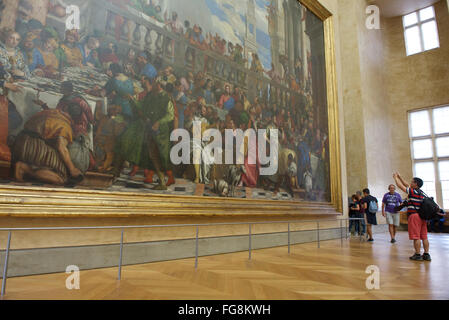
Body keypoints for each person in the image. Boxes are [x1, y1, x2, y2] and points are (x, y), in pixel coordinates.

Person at [393, 173, 431, 261]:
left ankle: (417, 254)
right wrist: (400, 176)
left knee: (416, 237)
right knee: (424, 236)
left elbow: (400, 186)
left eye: (412, 182)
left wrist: (395, 178)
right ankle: (426, 254)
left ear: (416, 184)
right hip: (423, 217)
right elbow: (406, 184)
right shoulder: (421, 193)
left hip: (414, 216)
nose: (410, 183)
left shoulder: (412, 192)